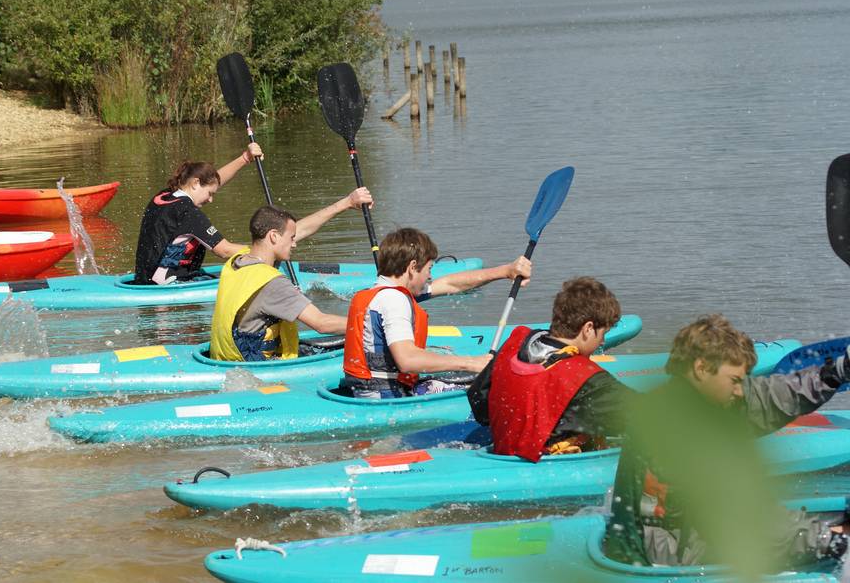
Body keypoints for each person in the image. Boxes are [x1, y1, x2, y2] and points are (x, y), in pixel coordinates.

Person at [603, 314, 850, 570]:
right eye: (734, 381)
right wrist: (832, 542)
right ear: (701, 369)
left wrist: (837, 372)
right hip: (666, 550)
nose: (740, 390)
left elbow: (768, 396)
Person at [342, 227, 532, 399]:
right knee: (494, 386)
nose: (430, 276)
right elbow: (408, 360)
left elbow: (450, 284)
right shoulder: (394, 301)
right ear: (412, 267)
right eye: (429, 269)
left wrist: (506, 271)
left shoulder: (378, 293)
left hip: (367, 389)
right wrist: (470, 363)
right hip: (386, 397)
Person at [209, 199, 372, 362]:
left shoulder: (237, 261)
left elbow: (302, 229)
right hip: (256, 364)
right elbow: (321, 323)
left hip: (227, 357)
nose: (294, 244)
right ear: (273, 236)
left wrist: (347, 202)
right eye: (292, 238)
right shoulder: (272, 282)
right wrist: (372, 323)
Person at [484, 277, 625, 459]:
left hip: (501, 452)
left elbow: (480, 404)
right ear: (588, 328)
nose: (602, 341)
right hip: (548, 467)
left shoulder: (515, 345)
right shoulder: (587, 379)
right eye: (603, 334)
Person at [133, 146, 261, 285]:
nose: (211, 200)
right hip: (165, 286)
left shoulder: (165, 195)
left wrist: (245, 159)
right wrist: (262, 251)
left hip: (144, 278)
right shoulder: (189, 213)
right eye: (210, 194)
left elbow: (213, 181)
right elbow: (224, 250)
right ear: (195, 183)